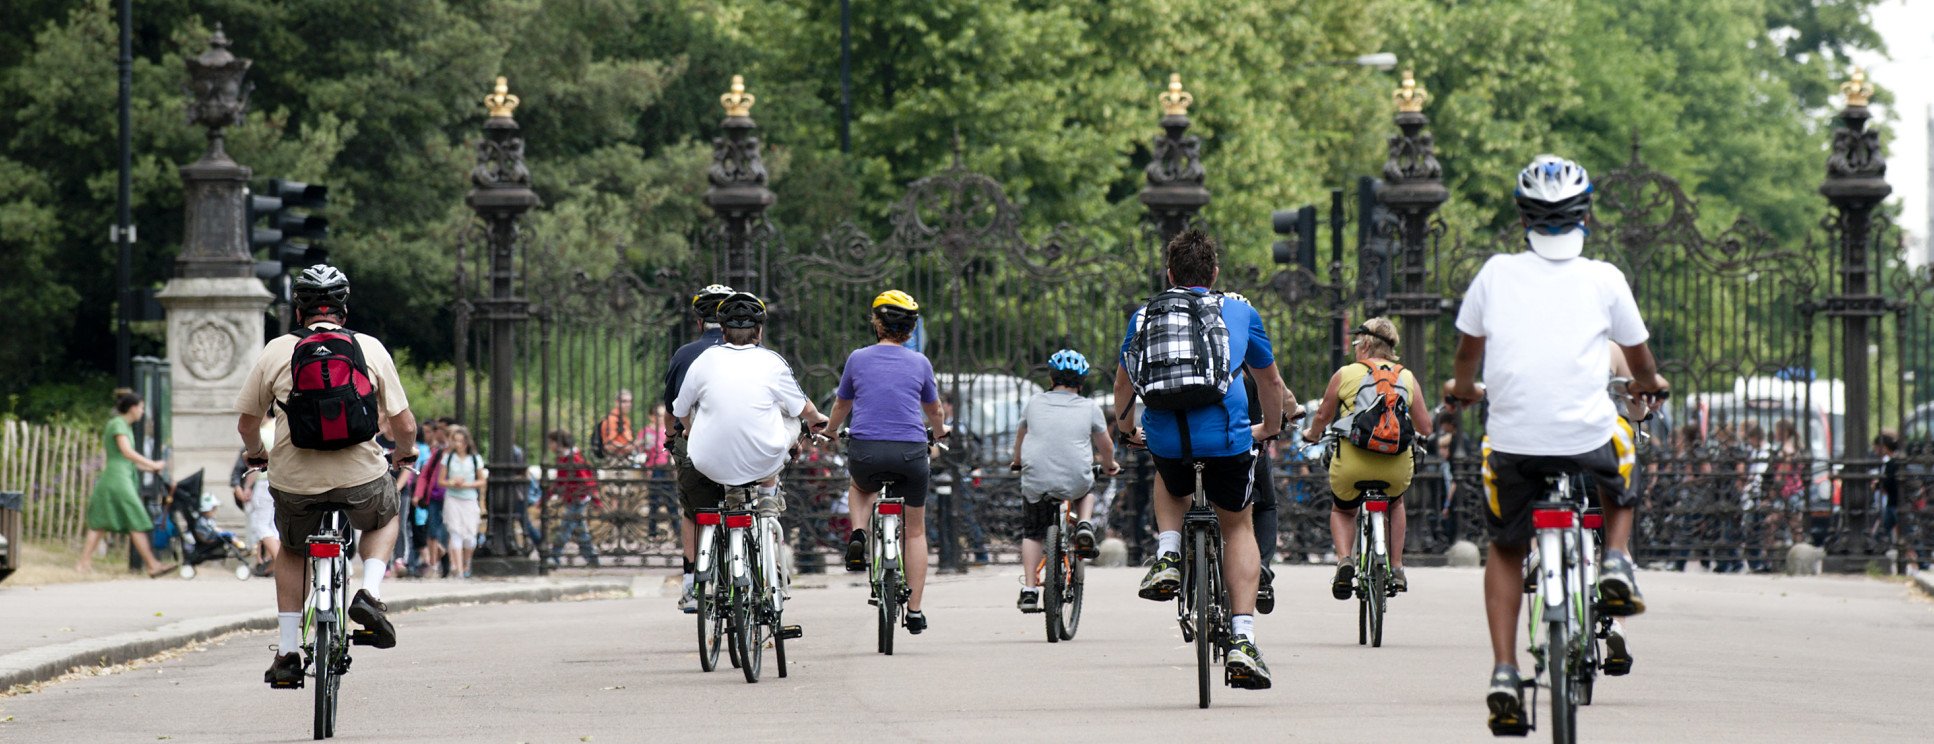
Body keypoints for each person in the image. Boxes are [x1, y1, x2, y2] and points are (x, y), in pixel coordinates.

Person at [1440, 156, 1668, 735]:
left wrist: (1462, 390)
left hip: (1514, 444)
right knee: (1624, 454)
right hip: (1588, 437)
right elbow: (1639, 362)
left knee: (1507, 549)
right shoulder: (1605, 278)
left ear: (1523, 217)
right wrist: (1652, 384)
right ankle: (1615, 560)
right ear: (1586, 215)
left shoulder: (1494, 273)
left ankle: (1504, 671)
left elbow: (1468, 356)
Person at [1114, 229, 1286, 690]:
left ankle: (1168, 553)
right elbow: (1269, 384)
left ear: (1169, 274)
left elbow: (1124, 386)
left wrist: (1128, 430)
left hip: (1170, 439)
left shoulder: (1145, 314)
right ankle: (1243, 640)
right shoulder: (1240, 311)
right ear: (1214, 273)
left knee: (1168, 477)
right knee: (1238, 526)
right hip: (1228, 440)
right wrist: (1269, 427)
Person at [235, 264, 416, 688]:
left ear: (299, 312)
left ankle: (286, 652)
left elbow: (247, 423)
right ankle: (369, 593)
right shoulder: (369, 348)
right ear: (344, 311)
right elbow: (403, 424)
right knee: (385, 513)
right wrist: (405, 454)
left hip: (294, 480)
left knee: (293, 550)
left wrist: (257, 455)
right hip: (360, 476)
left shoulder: (277, 350)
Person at [821, 289, 950, 634]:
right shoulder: (920, 362)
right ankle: (915, 611)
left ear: (876, 323)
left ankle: (859, 532)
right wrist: (939, 432)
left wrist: (831, 432)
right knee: (916, 530)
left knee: (861, 487)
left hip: (866, 452)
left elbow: (840, 406)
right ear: (910, 330)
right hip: (910, 453)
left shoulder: (857, 359)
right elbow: (934, 410)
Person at [672, 292, 828, 529]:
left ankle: (734, 494)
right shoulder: (773, 361)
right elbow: (804, 408)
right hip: (762, 460)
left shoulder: (703, 360)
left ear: (723, 332)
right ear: (760, 331)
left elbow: (680, 409)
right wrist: (817, 420)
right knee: (788, 413)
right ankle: (768, 493)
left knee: (698, 409)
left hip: (708, 461)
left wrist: (690, 431)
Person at [1300, 317, 1431, 597]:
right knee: (1395, 505)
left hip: (1352, 466)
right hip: (1395, 469)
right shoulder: (1406, 377)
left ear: (1367, 344)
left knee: (1343, 510)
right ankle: (1396, 566)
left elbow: (1323, 416)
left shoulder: (1346, 373)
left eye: (1358, 343)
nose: (1356, 348)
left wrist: (1312, 434)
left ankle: (1344, 560)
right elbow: (1426, 427)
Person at [1009, 350, 1120, 612]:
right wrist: (1109, 465)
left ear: (1051, 377)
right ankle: (1084, 524)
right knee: (1088, 485)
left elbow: (1020, 439)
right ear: (1081, 382)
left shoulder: (1034, 403)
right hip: (1075, 478)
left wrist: (1017, 462)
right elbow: (1105, 446)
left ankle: (1029, 590)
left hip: (1037, 478)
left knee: (1034, 533)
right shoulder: (1090, 407)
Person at [664, 283, 733, 612]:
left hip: (694, 448)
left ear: (698, 322)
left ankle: (691, 582)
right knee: (747, 506)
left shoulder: (685, 354)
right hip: (740, 452)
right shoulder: (749, 355)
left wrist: (670, 441)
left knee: (693, 512)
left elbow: (672, 410)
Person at [76, 392, 177, 576]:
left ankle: (83, 563)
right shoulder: (118, 424)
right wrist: (152, 463)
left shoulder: (125, 426)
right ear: (132, 408)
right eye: (141, 407)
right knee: (135, 517)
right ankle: (152, 565)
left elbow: (127, 459)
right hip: (117, 479)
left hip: (119, 475)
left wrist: (150, 469)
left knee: (100, 521)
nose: (142, 411)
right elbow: (126, 452)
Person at [545, 429, 600, 568]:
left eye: (551, 442)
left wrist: (595, 500)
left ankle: (554, 558)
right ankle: (592, 559)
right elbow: (560, 481)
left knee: (565, 529)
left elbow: (587, 481)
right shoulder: (563, 458)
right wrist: (546, 497)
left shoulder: (574, 459)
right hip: (572, 498)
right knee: (580, 532)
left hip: (578, 499)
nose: (550, 446)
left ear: (558, 443)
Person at [438, 425, 485, 579]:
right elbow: (441, 481)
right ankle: (458, 569)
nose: (458, 444)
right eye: (455, 441)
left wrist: (466, 485)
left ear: (466, 443)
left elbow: (481, 481)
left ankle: (466, 562)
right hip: (453, 498)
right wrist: (453, 482)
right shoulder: (448, 458)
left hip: (469, 498)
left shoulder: (475, 459)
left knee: (470, 536)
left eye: (461, 441)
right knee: (455, 532)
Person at [597, 390, 638, 461]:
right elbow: (608, 444)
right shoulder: (612, 419)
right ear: (616, 402)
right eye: (624, 401)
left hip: (624, 458)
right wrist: (627, 447)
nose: (628, 404)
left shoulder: (625, 419)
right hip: (615, 459)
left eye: (630, 401)